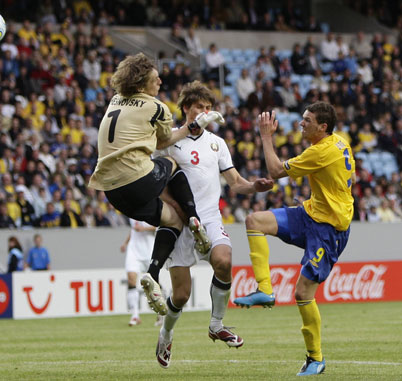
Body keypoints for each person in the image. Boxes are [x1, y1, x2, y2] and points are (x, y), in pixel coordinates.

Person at [88, 53, 224, 315]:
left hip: (111, 190)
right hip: (136, 179)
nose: (160, 81)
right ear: (141, 83)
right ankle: (195, 219)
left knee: (172, 220)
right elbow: (164, 142)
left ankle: (152, 274)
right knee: (172, 162)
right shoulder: (157, 107)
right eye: (154, 78)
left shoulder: (115, 100)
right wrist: (194, 126)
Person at [154, 81, 274, 368]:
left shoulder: (217, 143)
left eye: (208, 108)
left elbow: (234, 182)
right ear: (186, 108)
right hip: (180, 224)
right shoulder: (169, 140)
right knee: (181, 295)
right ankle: (166, 333)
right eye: (199, 108)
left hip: (208, 218)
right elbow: (157, 182)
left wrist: (254, 186)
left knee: (224, 259)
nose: (205, 113)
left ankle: (217, 324)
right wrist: (173, 209)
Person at [233, 102, 356, 376]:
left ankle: (316, 358)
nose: (301, 123)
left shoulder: (321, 151)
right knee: (254, 221)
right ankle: (265, 290)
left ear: (322, 127)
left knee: (302, 293)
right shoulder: (341, 144)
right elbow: (350, 177)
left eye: (307, 120)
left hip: (329, 231)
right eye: (302, 119)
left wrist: (266, 136)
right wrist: (327, 197)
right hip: (311, 213)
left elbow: (276, 171)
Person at [120, 218, 160, 326]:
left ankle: (161, 313)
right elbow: (134, 229)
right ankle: (135, 315)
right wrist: (126, 243)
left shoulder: (150, 207)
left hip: (149, 250)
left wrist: (143, 228)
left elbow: (159, 226)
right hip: (134, 249)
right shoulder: (132, 210)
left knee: (153, 283)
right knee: (131, 279)